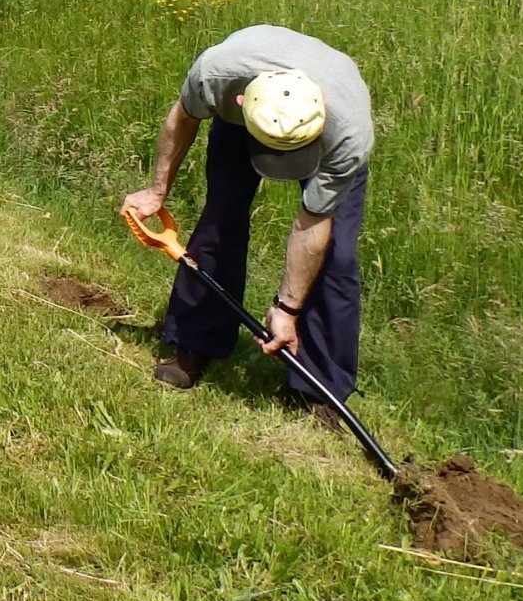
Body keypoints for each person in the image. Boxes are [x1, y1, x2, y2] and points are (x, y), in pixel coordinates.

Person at [122, 25, 375, 424]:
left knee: (337, 254)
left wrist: (286, 308)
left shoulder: (348, 135)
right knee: (221, 218)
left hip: (322, 125)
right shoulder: (215, 77)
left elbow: (311, 223)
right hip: (250, 112)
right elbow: (182, 118)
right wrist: (157, 191)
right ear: (239, 102)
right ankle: (194, 342)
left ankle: (320, 389)